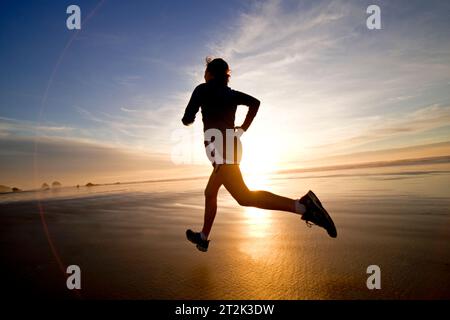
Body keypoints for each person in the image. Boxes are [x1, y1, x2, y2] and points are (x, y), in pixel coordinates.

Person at [182, 58, 337, 252]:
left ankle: (305, 207)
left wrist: (190, 118)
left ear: (210, 73)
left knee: (244, 197)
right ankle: (203, 238)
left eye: (205, 72)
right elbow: (255, 103)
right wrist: (243, 128)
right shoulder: (231, 94)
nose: (204, 76)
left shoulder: (202, 89)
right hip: (231, 147)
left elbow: (187, 119)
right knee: (210, 192)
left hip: (221, 151)